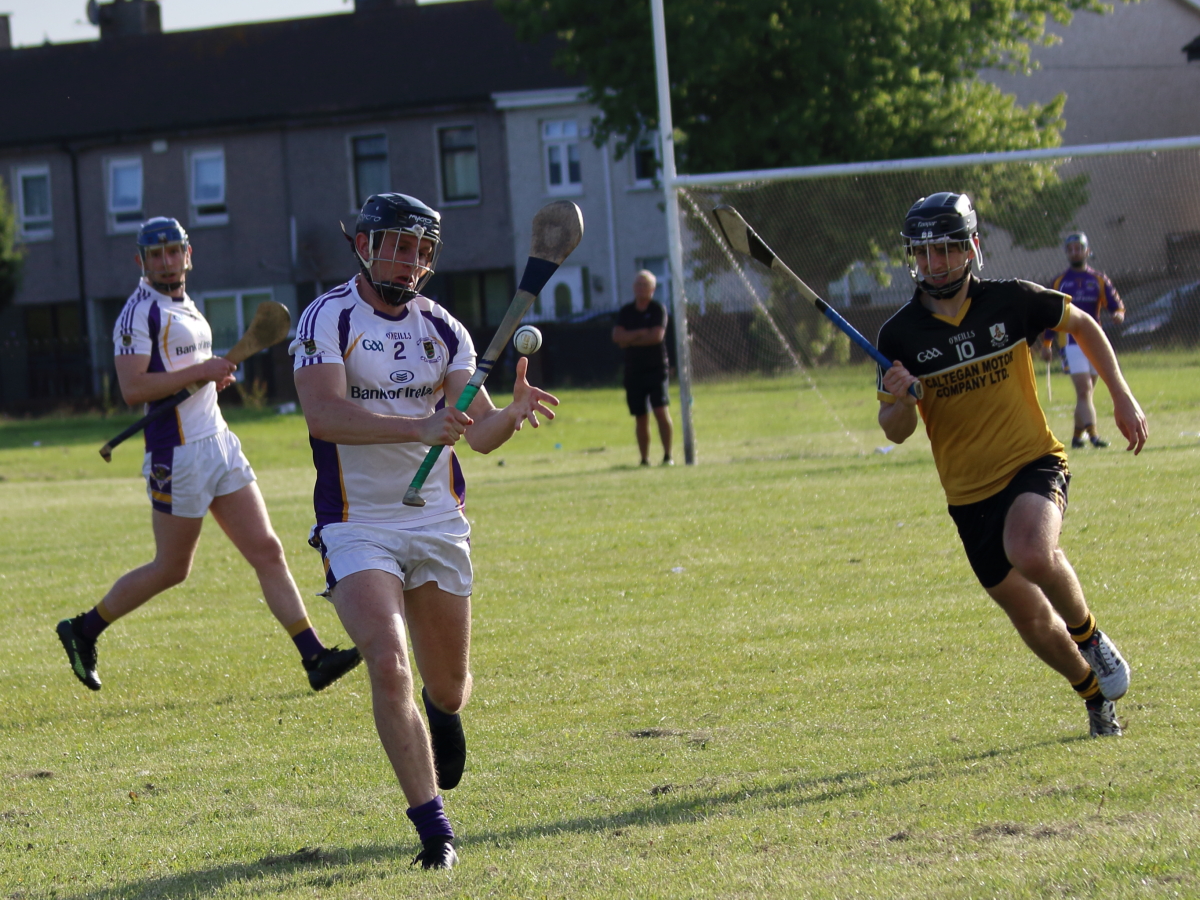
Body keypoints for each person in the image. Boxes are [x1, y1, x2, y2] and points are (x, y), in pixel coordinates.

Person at [291, 193, 558, 869]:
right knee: (387, 660)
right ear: (366, 245)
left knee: (448, 687)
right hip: (358, 523)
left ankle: (443, 713)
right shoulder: (327, 317)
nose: (410, 261)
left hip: (437, 520)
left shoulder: (444, 328)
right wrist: (417, 427)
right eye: (398, 245)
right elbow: (323, 414)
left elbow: (482, 432)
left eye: (421, 250)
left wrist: (513, 413)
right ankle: (434, 832)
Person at [876, 193, 1147, 739]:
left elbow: (1085, 327)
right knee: (1028, 617)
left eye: (946, 250)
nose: (934, 264)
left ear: (971, 248)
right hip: (968, 496)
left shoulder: (1012, 300)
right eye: (924, 254)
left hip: (1033, 462)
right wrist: (900, 399)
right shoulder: (898, 336)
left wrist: (1121, 396)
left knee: (1030, 548)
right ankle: (1093, 698)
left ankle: (1091, 637)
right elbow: (895, 430)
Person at [55, 218, 361, 694]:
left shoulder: (186, 307)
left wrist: (210, 378)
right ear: (141, 261)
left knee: (268, 550)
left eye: (173, 252)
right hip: (176, 453)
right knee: (172, 568)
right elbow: (134, 388)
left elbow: (182, 376)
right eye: (155, 255)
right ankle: (83, 629)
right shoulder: (139, 314)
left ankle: (314, 656)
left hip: (218, 440)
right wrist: (200, 370)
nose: (166, 261)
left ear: (188, 254)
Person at [1044, 232, 1126, 449]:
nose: (1075, 252)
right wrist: (1047, 343)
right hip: (1070, 343)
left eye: (1079, 248)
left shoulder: (1098, 279)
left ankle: (1076, 436)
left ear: (1087, 251)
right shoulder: (1060, 282)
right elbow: (1051, 315)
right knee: (1084, 390)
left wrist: (1118, 314)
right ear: (1066, 253)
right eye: (1070, 249)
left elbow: (1116, 305)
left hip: (1095, 342)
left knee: (1087, 392)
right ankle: (1094, 435)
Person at [612, 270, 674, 465]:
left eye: (644, 285)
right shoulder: (626, 311)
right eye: (638, 284)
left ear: (653, 289)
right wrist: (640, 333)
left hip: (656, 369)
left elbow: (656, 337)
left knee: (660, 412)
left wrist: (629, 340)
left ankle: (667, 456)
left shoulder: (658, 309)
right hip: (634, 370)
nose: (640, 288)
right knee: (640, 416)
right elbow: (617, 337)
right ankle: (644, 459)